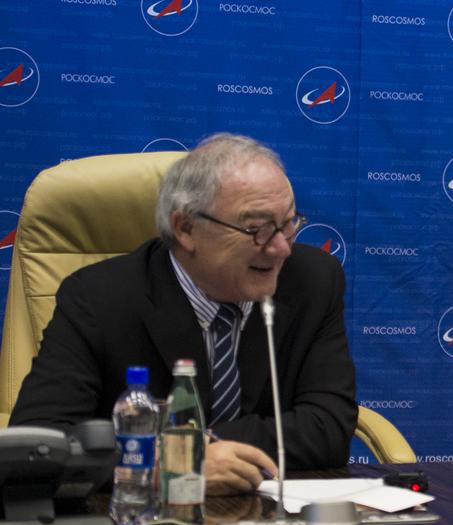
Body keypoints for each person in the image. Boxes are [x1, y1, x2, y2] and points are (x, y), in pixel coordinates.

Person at [10, 133, 357, 494]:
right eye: (257, 229)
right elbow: (39, 446)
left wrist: (203, 448)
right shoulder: (97, 299)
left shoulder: (312, 281)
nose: (281, 248)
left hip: (268, 516)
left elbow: (328, 427)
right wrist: (171, 465)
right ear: (186, 228)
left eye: (288, 223)